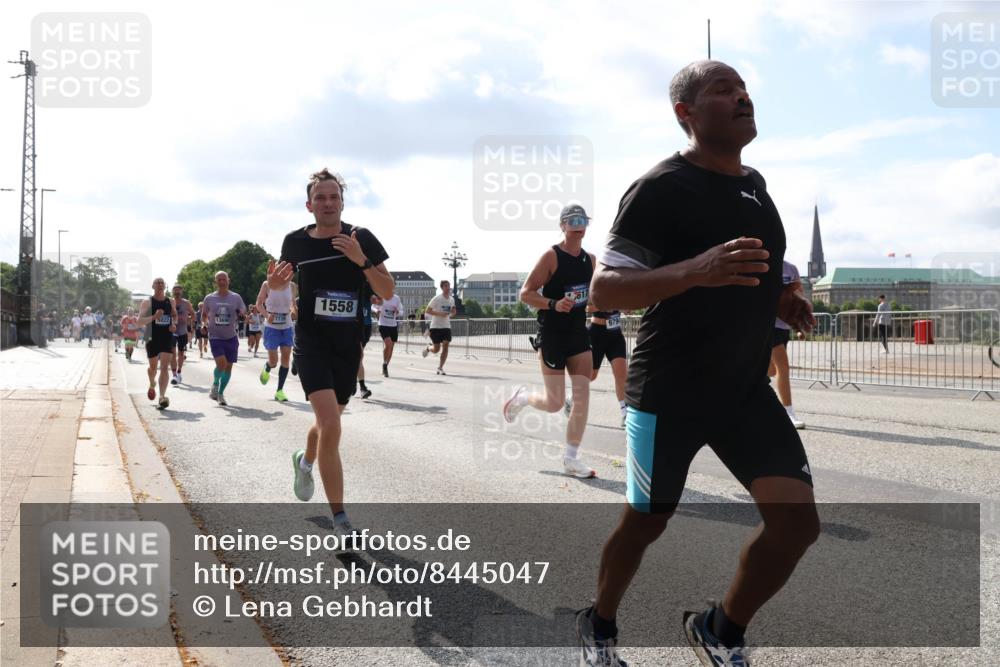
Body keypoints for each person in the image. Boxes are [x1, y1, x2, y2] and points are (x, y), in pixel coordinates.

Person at [576, 60, 819, 667]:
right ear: (685, 112)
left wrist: (784, 298)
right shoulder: (660, 187)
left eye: (744, 89)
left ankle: (720, 629)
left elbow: (752, 272)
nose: (742, 98)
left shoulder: (757, 188)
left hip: (741, 390)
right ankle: (600, 622)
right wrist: (696, 270)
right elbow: (605, 290)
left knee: (797, 526)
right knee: (647, 521)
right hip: (670, 392)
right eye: (722, 90)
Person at [268, 168, 393, 546]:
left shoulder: (361, 238)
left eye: (333, 197)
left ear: (342, 202)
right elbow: (282, 284)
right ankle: (340, 520)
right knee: (331, 424)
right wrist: (276, 286)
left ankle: (304, 462)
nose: (327, 203)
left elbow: (386, 291)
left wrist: (362, 261)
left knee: (330, 421)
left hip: (347, 343)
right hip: (310, 341)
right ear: (309, 205)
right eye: (320, 197)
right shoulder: (295, 242)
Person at [502, 204, 597, 479]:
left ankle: (571, 459)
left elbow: (594, 293)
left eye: (583, 220)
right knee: (555, 403)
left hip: (579, 333)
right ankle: (522, 398)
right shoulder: (551, 256)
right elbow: (525, 294)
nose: (579, 225)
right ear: (563, 225)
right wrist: (554, 304)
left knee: (582, 396)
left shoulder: (590, 260)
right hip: (553, 335)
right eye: (573, 220)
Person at [769, 261, 806, 429]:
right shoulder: (763, 264)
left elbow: (799, 298)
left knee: (771, 370)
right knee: (783, 367)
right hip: (766, 324)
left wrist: (800, 325)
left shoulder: (791, 269)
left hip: (784, 325)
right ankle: (788, 412)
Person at [202, 271, 246, 407]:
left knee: (228, 367)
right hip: (215, 336)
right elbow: (204, 315)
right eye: (219, 279)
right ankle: (215, 385)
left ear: (228, 280)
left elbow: (243, 310)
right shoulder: (209, 298)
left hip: (231, 336)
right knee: (221, 364)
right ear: (216, 282)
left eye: (224, 279)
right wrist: (204, 324)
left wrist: (242, 314)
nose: (222, 282)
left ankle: (220, 394)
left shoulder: (236, 297)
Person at [137, 278, 177, 409]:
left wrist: (174, 324)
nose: (160, 285)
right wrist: (154, 317)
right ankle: (152, 383)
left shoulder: (170, 301)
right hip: (151, 337)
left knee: (165, 367)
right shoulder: (147, 302)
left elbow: (175, 315)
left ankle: (162, 397)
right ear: (152, 286)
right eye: (157, 283)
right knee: (153, 368)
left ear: (165, 286)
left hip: (166, 336)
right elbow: (139, 322)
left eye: (162, 283)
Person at [587, 305, 629, 427]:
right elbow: (587, 307)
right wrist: (607, 305)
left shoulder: (621, 286)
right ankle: (572, 397)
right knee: (591, 376)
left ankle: (625, 412)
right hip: (596, 333)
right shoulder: (595, 285)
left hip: (615, 334)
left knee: (621, 373)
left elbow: (627, 307)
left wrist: (627, 307)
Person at [257, 278, 298, 402]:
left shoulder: (292, 286)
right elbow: (258, 304)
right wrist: (267, 315)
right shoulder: (267, 284)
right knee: (274, 361)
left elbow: (292, 304)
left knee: (285, 358)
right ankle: (268, 367)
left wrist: (294, 310)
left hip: (287, 325)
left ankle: (279, 391)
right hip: (271, 326)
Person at [422, 280, 457, 375]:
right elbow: (428, 310)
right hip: (436, 327)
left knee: (445, 347)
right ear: (442, 287)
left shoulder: (451, 299)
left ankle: (440, 367)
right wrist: (440, 314)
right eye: (446, 286)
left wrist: (452, 314)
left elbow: (453, 310)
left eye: (449, 286)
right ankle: (429, 348)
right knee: (436, 349)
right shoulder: (437, 298)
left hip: (446, 326)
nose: (448, 288)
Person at [375, 292, 403, 377]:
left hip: (393, 326)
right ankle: (385, 364)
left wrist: (397, 311)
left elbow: (401, 311)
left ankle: (385, 365)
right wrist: (377, 310)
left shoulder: (396, 298)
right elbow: (373, 306)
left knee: (391, 348)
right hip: (383, 324)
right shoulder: (381, 296)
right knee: (388, 344)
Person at [170, 285, 195, 385]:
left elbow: (193, 314)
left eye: (178, 291)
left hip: (182, 331)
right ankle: (174, 375)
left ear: (181, 292)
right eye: (175, 290)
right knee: (172, 353)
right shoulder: (169, 302)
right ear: (172, 292)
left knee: (181, 353)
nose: (177, 292)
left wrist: (188, 320)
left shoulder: (186, 303)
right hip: (171, 331)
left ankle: (179, 372)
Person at [354, 292, 375, 399]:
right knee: (359, 356)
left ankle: (353, 381)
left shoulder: (368, 287)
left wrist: (375, 298)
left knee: (357, 357)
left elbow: (379, 300)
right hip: (354, 325)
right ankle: (362, 388)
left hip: (366, 326)